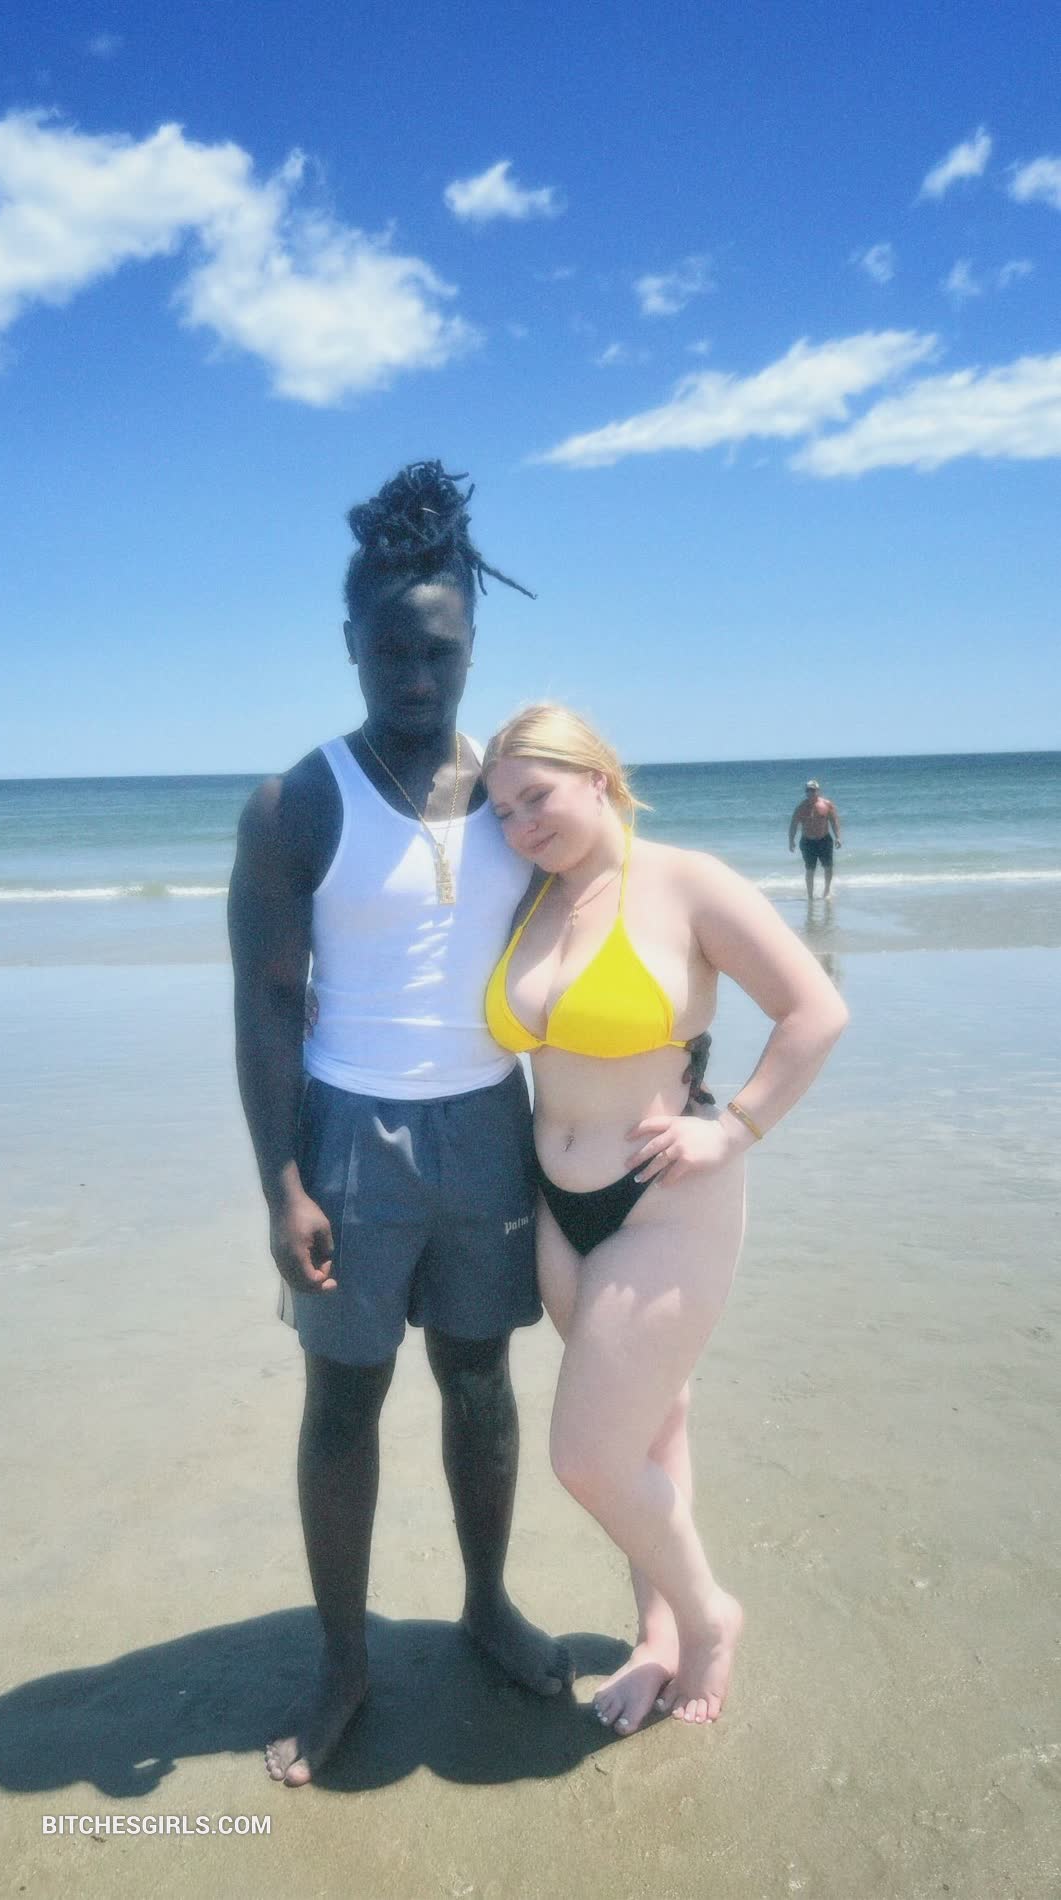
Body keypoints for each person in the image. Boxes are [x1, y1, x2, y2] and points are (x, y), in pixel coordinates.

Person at [228, 465, 571, 1789]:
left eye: (440, 651)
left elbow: (617, 923)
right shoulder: (297, 802)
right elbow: (268, 1003)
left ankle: (485, 1603)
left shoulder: (519, 798)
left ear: (473, 643)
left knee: (480, 1382)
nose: (417, 677)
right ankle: (343, 1659)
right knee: (345, 1398)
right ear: (351, 645)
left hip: (488, 1124)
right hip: (348, 1136)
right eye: (391, 652)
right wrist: (282, 1183)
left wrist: (682, 1073)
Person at [482, 706, 848, 1736]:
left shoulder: (686, 881)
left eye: (536, 797)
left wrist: (733, 1130)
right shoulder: (529, 898)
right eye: (501, 810)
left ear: (597, 778)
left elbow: (815, 1009)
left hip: (663, 1202)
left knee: (589, 1458)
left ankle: (708, 1614)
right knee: (651, 1426)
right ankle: (657, 1636)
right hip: (557, 1204)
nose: (519, 824)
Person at [788, 778, 842, 897]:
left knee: (828, 867)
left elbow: (834, 821)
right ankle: (810, 896)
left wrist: (838, 837)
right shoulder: (801, 807)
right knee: (810, 869)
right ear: (805, 792)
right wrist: (791, 841)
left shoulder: (827, 804)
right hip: (808, 842)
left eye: (813, 790)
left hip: (824, 840)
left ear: (818, 791)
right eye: (808, 790)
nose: (810, 793)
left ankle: (826, 891)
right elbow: (793, 825)